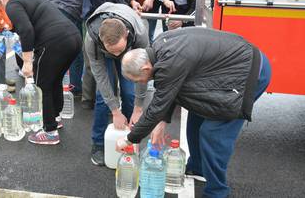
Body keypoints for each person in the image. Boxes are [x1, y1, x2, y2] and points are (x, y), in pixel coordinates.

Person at [117, 27, 272, 198]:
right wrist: (161, 123)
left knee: (213, 133)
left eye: (138, 80)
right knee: (195, 118)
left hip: (248, 72)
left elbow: (158, 104)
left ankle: (217, 192)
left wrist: (129, 139)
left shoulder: (169, 62)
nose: (141, 83)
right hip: (228, 68)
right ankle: (197, 166)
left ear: (146, 68)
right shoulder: (160, 47)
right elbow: (169, 91)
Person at [0, 0, 82, 145]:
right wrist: (12, 29)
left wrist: (26, 62)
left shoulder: (12, 4)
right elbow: (34, 19)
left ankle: (50, 132)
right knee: (54, 80)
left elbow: (27, 30)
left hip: (54, 42)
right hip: (73, 37)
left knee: (42, 85)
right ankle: (55, 117)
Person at [85, 2, 148, 166]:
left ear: (126, 35)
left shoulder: (139, 35)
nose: (117, 55)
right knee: (102, 97)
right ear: (101, 40)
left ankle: (130, 139)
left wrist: (138, 108)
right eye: (113, 51)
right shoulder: (92, 40)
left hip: (130, 50)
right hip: (102, 54)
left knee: (129, 94)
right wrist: (115, 111)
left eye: (119, 51)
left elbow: (142, 73)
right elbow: (100, 76)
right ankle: (98, 144)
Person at [46, 0, 106, 100]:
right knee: (75, 46)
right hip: (69, 5)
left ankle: (49, 85)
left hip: (50, 0)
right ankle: (76, 86)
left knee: (55, 46)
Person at [82, 0, 135, 111]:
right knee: (104, 76)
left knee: (99, 71)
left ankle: (92, 104)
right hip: (103, 26)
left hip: (104, 21)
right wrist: (106, 17)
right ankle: (102, 113)